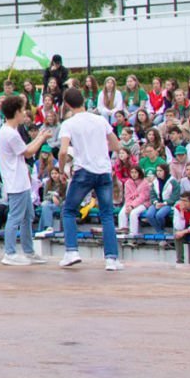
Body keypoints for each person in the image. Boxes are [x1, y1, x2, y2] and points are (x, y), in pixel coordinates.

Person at [56, 88, 123, 271]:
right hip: (103, 170)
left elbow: (63, 151)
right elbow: (116, 144)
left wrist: (61, 170)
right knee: (107, 214)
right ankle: (111, 259)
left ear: (67, 105)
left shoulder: (69, 124)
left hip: (84, 170)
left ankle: (72, 251)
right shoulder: (100, 120)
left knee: (69, 210)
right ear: (84, 100)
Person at [0, 95, 47, 265]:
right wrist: (41, 138)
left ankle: (28, 251)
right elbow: (28, 153)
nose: (24, 113)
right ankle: (9, 253)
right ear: (16, 112)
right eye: (22, 110)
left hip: (21, 181)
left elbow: (24, 150)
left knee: (27, 216)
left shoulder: (10, 131)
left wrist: (39, 137)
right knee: (15, 218)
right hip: (15, 182)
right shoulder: (10, 133)